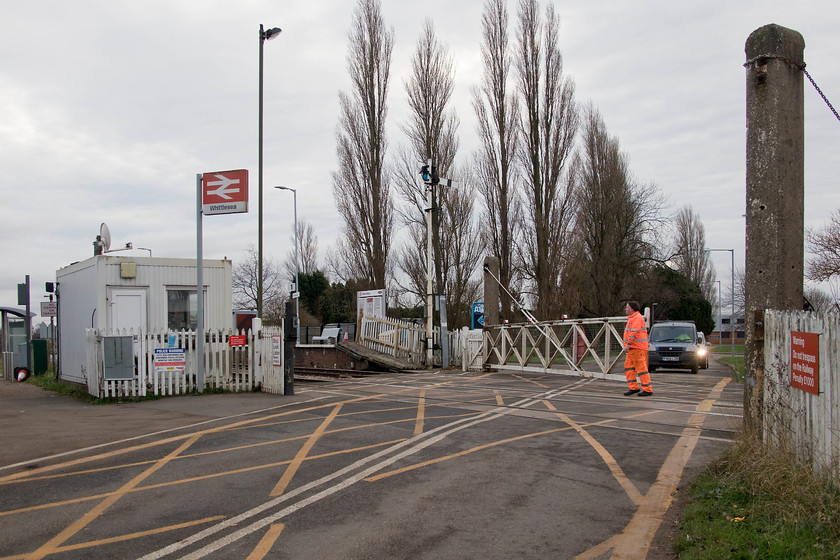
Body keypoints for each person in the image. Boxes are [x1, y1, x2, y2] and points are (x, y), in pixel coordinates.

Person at [623, 301, 652, 396]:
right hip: (633, 348)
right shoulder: (633, 318)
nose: (625, 309)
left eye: (627, 307)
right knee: (628, 368)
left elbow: (634, 332)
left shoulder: (637, 318)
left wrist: (628, 345)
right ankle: (633, 387)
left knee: (641, 369)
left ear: (632, 308)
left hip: (637, 348)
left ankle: (647, 389)